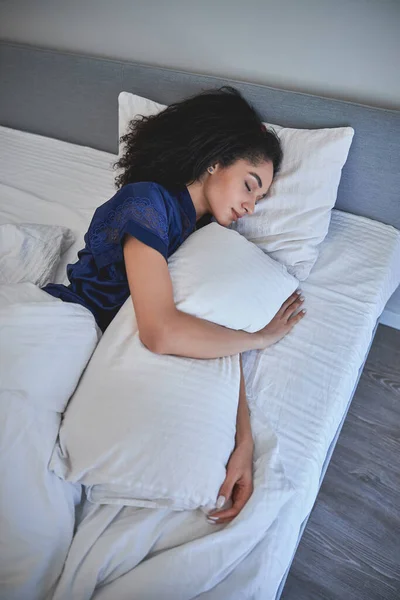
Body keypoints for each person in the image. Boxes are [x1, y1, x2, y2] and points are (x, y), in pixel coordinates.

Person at [43, 86, 306, 524]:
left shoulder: (200, 237)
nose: (251, 205)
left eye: (260, 199)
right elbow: (162, 331)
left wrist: (243, 444)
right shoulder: (147, 203)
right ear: (215, 161)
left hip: (91, 359)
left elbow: (212, 337)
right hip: (62, 329)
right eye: (249, 185)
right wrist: (261, 337)